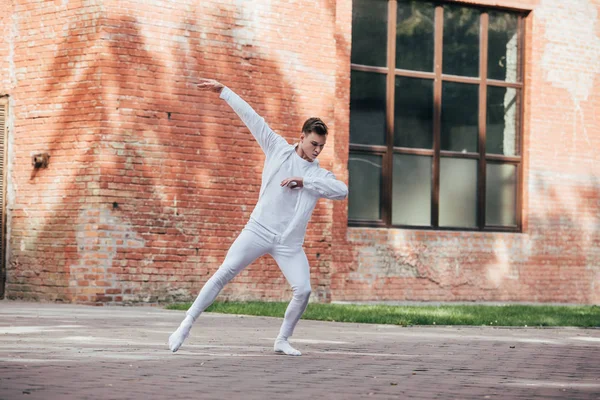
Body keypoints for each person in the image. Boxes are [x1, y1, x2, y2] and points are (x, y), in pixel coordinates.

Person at [168, 78, 348, 356]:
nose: (316, 150)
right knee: (223, 273)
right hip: (258, 230)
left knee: (303, 290)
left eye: (321, 146)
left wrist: (304, 182)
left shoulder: (316, 174)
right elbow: (253, 118)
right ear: (301, 137)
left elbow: (342, 191)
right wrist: (224, 92)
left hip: (289, 244)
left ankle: (282, 340)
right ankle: (185, 324)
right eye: (313, 143)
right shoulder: (277, 148)